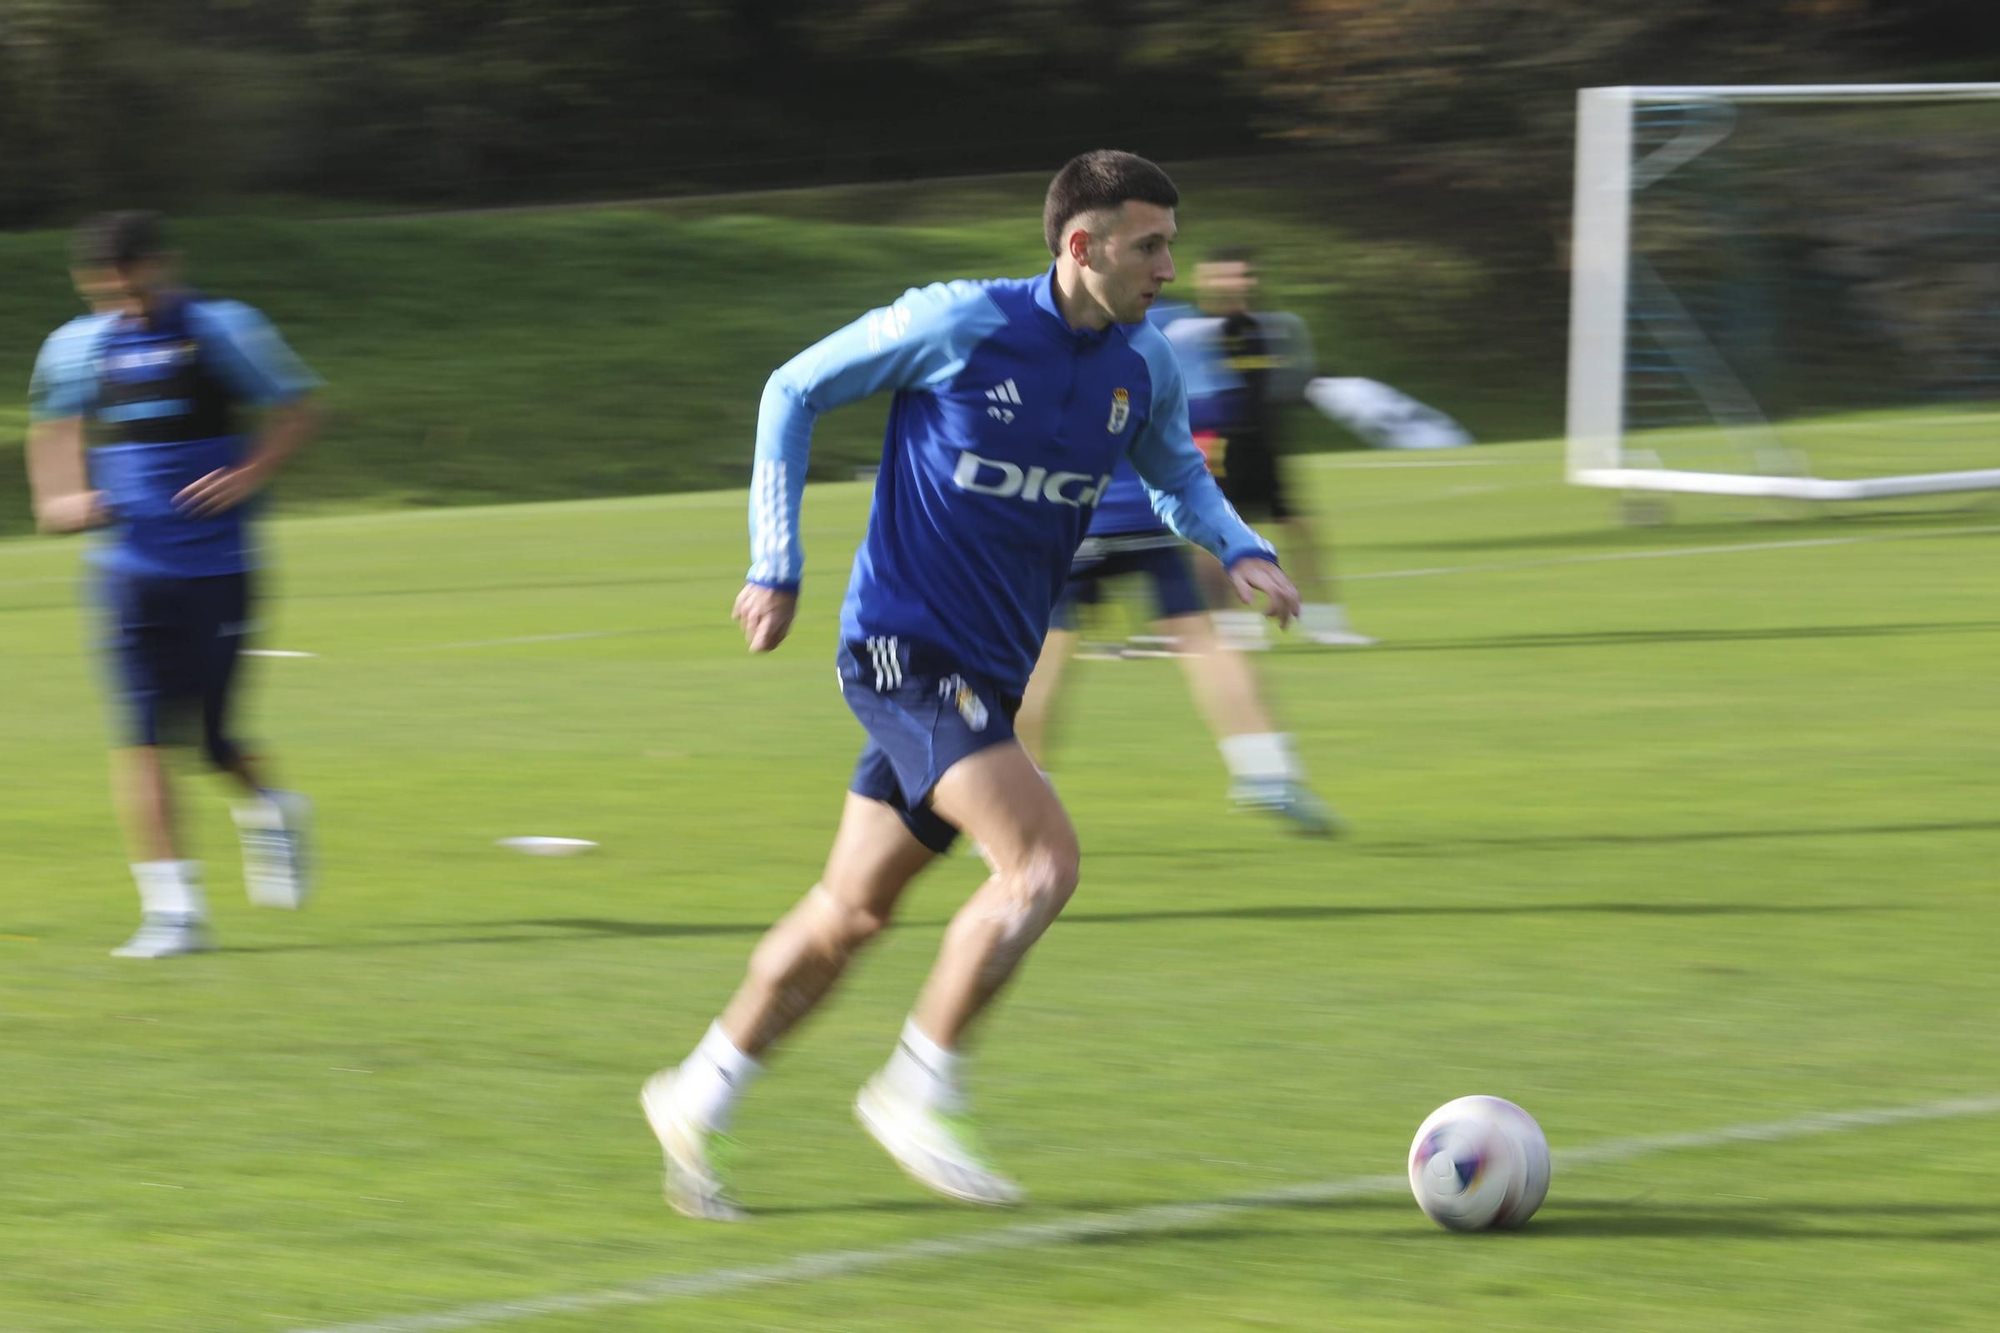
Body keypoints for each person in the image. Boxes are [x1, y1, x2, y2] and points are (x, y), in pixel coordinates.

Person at [641, 151, 1301, 1220]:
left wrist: (1240, 548)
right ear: (1079, 247)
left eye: (1171, 244)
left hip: (981, 679)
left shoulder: (1140, 368)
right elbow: (792, 389)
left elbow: (1177, 474)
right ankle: (916, 1083)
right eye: (1149, 246)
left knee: (851, 912)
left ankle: (694, 1090)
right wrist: (775, 561)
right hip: (903, 651)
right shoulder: (959, 323)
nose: (1169, 268)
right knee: (1040, 863)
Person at [24, 211, 321, 959]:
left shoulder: (224, 327)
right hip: (128, 573)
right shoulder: (75, 344)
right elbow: (53, 427)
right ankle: (174, 912)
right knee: (143, 734)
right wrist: (57, 499)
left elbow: (298, 406)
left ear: (164, 264)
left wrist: (248, 474)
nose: (123, 300)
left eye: (134, 283)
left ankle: (274, 806)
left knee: (212, 742)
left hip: (219, 569)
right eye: (105, 289)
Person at [1012, 457, 1340, 836]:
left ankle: (1023, 800)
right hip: (1148, 512)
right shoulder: (1145, 393)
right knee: (1202, 639)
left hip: (1066, 513)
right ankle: (1266, 770)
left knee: (1046, 654)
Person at [1164, 249, 1374, 650]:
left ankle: (1327, 622)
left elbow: (1295, 381)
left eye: (1238, 277)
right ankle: (1231, 626)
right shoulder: (1186, 333)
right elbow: (1173, 392)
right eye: (1220, 277)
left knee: (1300, 528)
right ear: (1205, 281)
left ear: (1251, 280)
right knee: (1211, 538)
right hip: (1215, 445)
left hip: (1265, 444)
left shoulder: (1274, 327)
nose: (1230, 284)